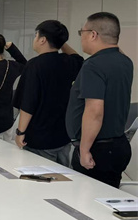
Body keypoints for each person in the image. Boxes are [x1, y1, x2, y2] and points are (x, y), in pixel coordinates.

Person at [66, 12, 133, 188]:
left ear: (93, 35)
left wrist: (84, 149)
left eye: (82, 32)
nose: (81, 38)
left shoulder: (93, 65)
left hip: (97, 149)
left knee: (87, 198)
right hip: (118, 145)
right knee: (108, 195)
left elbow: (94, 111)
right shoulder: (126, 62)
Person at [14, 20, 84, 167]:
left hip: (40, 137)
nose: (34, 39)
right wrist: (60, 42)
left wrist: (20, 132)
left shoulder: (34, 65)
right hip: (63, 135)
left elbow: (28, 103)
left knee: (42, 176)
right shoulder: (70, 62)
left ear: (42, 40)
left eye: (36, 35)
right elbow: (78, 57)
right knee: (62, 174)